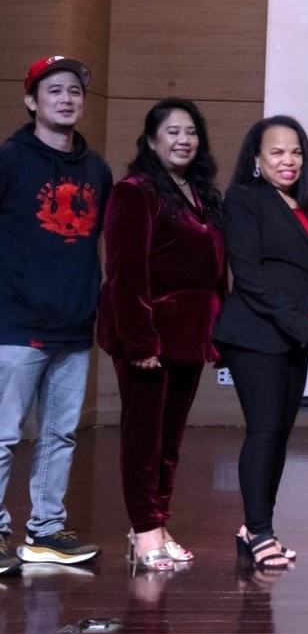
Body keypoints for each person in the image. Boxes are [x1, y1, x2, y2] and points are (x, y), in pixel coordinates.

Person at [97, 98, 225, 572]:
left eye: (191, 131)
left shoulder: (200, 193)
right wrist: (141, 340)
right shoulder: (134, 191)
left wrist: (218, 330)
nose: (183, 140)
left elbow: (215, 270)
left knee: (169, 441)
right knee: (143, 438)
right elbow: (125, 272)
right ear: (151, 140)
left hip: (189, 336)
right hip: (147, 335)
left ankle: (156, 524)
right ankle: (145, 528)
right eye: (172, 131)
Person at [0, 56, 111, 573]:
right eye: (54, 92)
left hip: (73, 325)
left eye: (74, 92)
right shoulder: (10, 161)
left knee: (59, 435)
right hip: (16, 325)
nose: (67, 99)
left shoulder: (97, 170)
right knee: (3, 434)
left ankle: (44, 531)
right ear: (31, 102)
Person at [214, 115, 308, 571]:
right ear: (257, 159)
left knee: (279, 437)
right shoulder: (245, 200)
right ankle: (261, 530)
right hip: (254, 334)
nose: (288, 161)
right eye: (277, 152)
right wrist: (299, 325)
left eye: (296, 152)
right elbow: (248, 276)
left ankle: (255, 529)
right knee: (264, 432)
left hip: (295, 339)